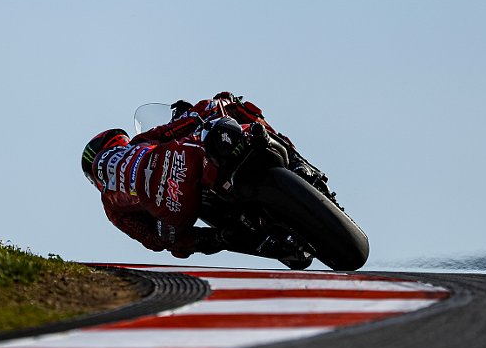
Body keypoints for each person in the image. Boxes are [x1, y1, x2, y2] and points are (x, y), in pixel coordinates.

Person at [80, 92, 334, 264]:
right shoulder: (140, 142)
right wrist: (191, 113)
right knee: (226, 103)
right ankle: (300, 164)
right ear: (116, 142)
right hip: (188, 162)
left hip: (173, 210)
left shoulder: (111, 205)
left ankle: (246, 239)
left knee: (176, 240)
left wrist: (207, 241)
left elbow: (153, 241)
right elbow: (176, 127)